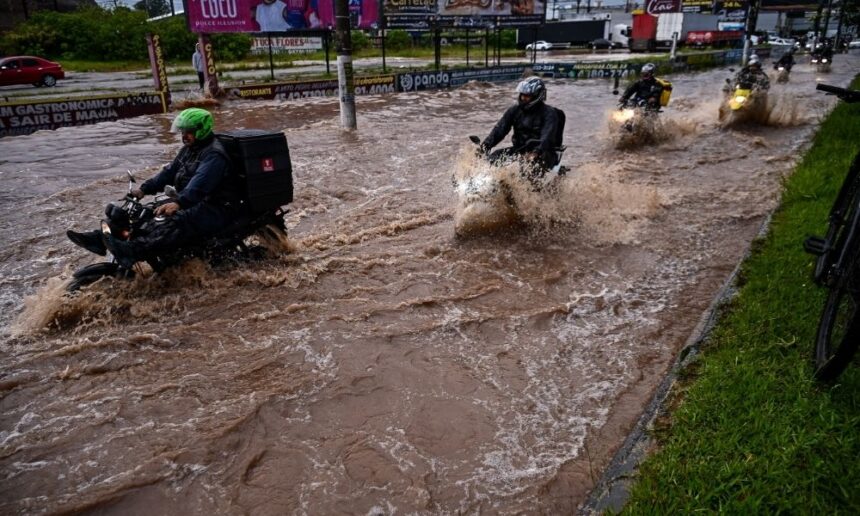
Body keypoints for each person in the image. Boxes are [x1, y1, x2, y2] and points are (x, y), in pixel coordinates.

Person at [66, 108, 245, 267]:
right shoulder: (190, 149)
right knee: (146, 211)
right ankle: (99, 239)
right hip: (196, 200)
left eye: (188, 131)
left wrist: (179, 203)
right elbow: (169, 172)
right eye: (182, 131)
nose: (184, 135)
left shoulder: (214, 155)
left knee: (174, 221)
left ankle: (133, 251)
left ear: (202, 129)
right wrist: (144, 189)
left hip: (218, 207)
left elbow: (200, 184)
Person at [480, 76, 561, 171]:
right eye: (522, 95)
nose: (523, 98)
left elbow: (547, 136)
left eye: (527, 96)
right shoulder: (514, 110)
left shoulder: (549, 113)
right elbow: (500, 129)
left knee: (528, 168)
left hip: (543, 152)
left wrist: (536, 152)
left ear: (537, 95)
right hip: (520, 150)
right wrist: (485, 146)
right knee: (493, 157)